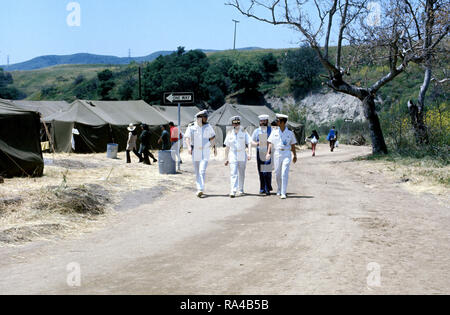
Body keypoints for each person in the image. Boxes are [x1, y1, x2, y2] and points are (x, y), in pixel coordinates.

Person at [185, 110, 217, 197]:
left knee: (202, 170)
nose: (206, 118)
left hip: (205, 150)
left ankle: (200, 189)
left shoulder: (208, 126)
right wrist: (188, 147)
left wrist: (214, 148)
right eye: (204, 117)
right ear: (199, 117)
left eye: (206, 116)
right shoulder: (191, 126)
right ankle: (199, 188)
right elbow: (187, 137)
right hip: (195, 150)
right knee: (197, 171)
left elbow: (212, 137)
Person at [266, 114, 297, 199]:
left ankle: (283, 192)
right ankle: (279, 188)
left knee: (284, 173)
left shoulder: (290, 133)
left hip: (286, 153)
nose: (277, 122)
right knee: (277, 173)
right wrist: (268, 152)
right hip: (277, 154)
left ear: (283, 122)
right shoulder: (274, 132)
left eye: (278, 121)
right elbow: (270, 143)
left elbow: (293, 145)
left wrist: (295, 155)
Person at [224, 116, 252, 198]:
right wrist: (226, 158)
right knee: (233, 172)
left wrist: (250, 153)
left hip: (242, 154)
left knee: (241, 172)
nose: (236, 124)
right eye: (235, 123)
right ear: (232, 124)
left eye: (238, 123)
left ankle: (241, 189)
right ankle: (233, 190)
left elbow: (249, 142)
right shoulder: (229, 133)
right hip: (233, 154)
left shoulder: (244, 132)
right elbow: (227, 147)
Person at [251, 114, 273, 196]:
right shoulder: (256, 131)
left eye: (264, 121)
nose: (263, 122)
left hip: (268, 152)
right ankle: (262, 188)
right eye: (261, 121)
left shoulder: (271, 130)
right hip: (259, 153)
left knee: (266, 171)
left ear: (267, 121)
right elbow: (251, 141)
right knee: (260, 171)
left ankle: (267, 188)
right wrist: (257, 143)